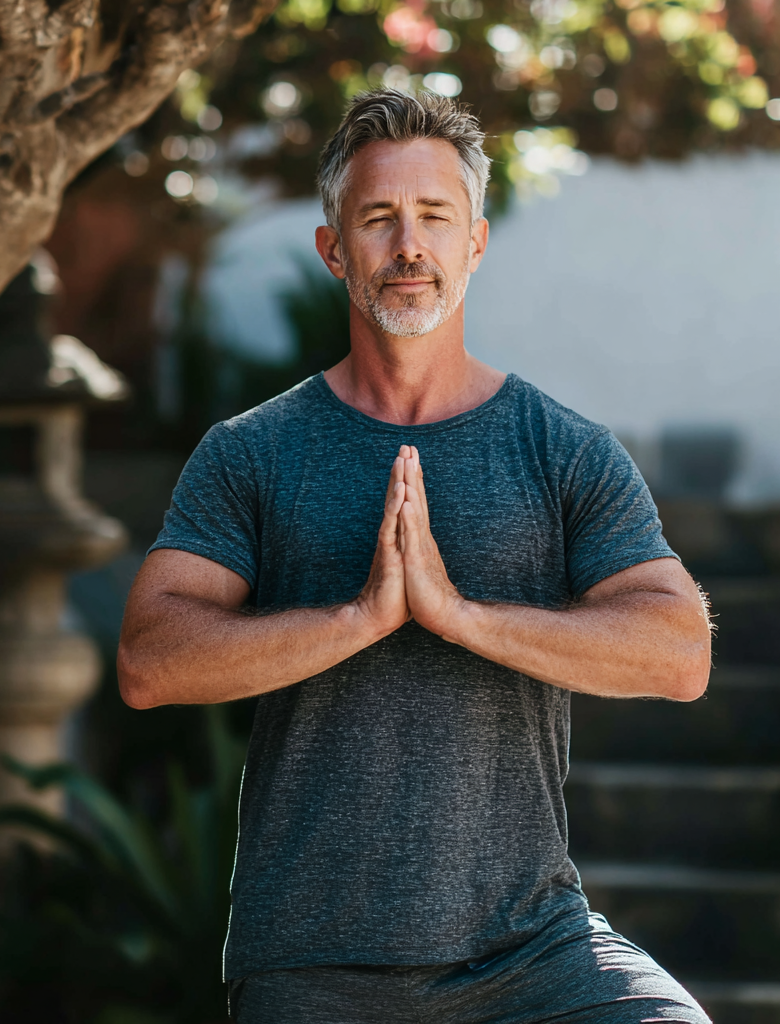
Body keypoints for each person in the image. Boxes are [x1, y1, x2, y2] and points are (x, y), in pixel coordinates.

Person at [117, 89, 713, 1023]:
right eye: (378, 218)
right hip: (314, 964)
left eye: (436, 216)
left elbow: (679, 653)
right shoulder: (253, 453)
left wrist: (461, 616)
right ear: (332, 250)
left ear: (474, 243)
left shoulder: (563, 450)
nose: (409, 246)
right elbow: (150, 662)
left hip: (533, 952)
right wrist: (360, 618)